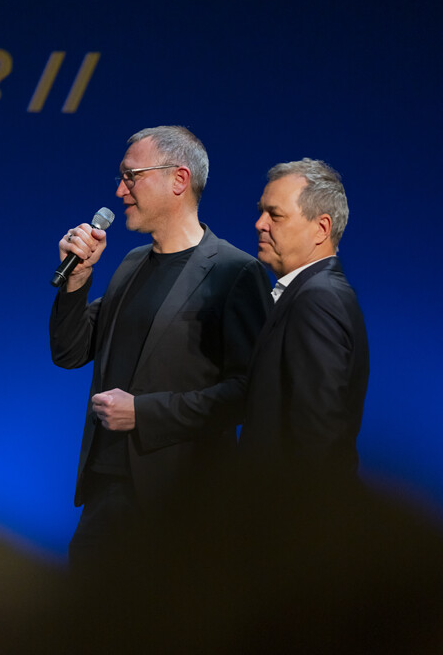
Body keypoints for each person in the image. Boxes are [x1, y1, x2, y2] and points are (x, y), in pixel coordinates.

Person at [49, 125, 271, 562]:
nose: (120, 191)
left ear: (179, 179)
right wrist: (76, 282)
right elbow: (70, 352)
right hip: (105, 495)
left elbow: (249, 393)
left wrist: (144, 413)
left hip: (181, 504)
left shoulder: (234, 271)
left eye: (131, 176)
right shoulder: (132, 264)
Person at [239, 158, 369, 478]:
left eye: (275, 215)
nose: (259, 223)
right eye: (261, 211)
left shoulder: (317, 300)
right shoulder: (315, 293)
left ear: (321, 228)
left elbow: (319, 440)